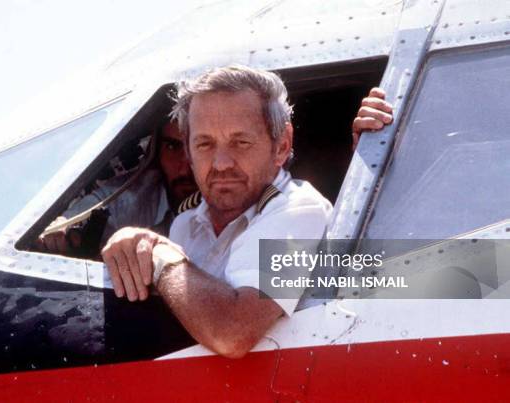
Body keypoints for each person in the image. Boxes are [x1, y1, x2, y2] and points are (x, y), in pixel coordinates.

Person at [101, 65, 393, 359]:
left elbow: (232, 333)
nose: (221, 163)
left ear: (281, 146)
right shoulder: (186, 224)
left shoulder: (301, 210)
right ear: (188, 153)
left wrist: (161, 257)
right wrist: (134, 242)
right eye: (205, 144)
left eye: (240, 142)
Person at [35, 120, 198, 255]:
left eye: (198, 147)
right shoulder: (133, 197)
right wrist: (62, 230)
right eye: (172, 148)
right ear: (156, 152)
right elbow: (73, 219)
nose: (185, 169)